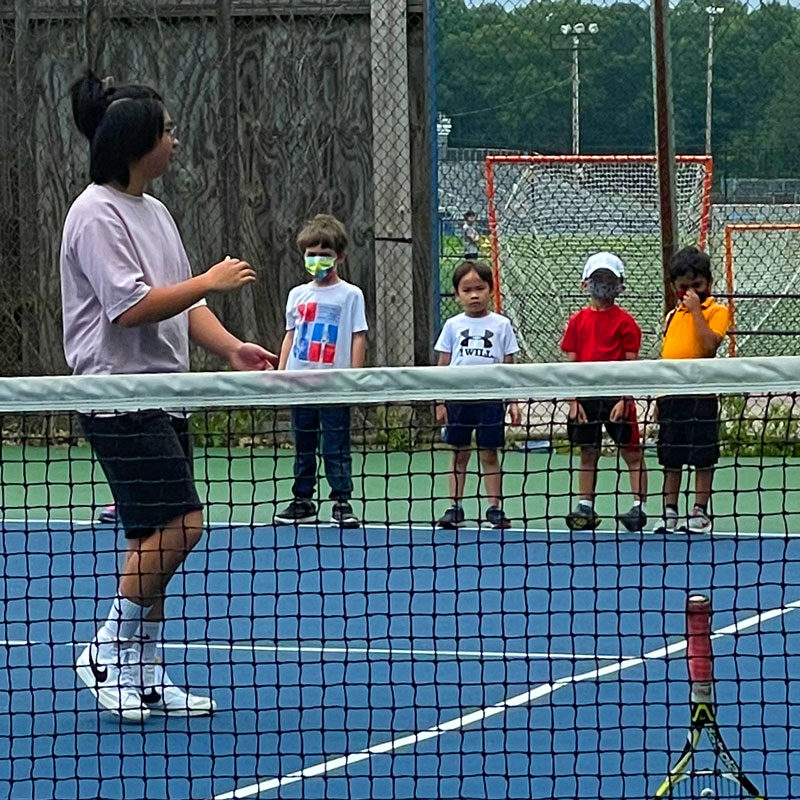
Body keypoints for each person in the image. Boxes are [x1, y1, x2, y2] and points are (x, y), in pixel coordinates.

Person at [62, 72, 275, 722]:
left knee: (152, 537)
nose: (176, 141)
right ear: (136, 144)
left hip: (164, 394)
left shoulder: (154, 212)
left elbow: (182, 302)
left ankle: (146, 672)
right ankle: (105, 649)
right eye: (167, 132)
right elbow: (130, 308)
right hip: (118, 397)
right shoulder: (93, 213)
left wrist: (231, 347)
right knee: (183, 527)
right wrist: (208, 278)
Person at [273, 214, 367, 529]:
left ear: (339, 256)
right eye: (311, 254)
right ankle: (302, 500)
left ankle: (341, 501)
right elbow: (290, 335)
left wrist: (354, 377)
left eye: (324, 255)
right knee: (303, 445)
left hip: (335, 385)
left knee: (335, 446)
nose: (317, 260)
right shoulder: (297, 294)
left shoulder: (351, 295)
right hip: (300, 384)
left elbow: (358, 336)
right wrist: (281, 372)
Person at [561, 253, 648, 532]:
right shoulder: (577, 321)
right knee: (588, 452)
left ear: (620, 285)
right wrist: (573, 401)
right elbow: (571, 364)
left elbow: (632, 366)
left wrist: (624, 399)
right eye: (598, 278)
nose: (603, 284)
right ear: (586, 283)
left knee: (632, 453)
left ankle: (639, 507)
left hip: (617, 398)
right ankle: (585, 506)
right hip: (586, 398)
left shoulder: (626, 322)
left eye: (609, 279)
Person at [435, 260, 521, 529]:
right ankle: (455, 507)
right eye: (467, 289)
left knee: (489, 453)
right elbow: (443, 364)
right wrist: (439, 401)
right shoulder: (452, 325)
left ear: (491, 290)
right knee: (459, 454)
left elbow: (509, 367)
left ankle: (494, 508)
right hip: (458, 400)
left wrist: (513, 402)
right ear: (457, 294)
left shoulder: (502, 325)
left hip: (490, 400)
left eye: (480, 288)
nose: (474, 295)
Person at [654, 246, 729, 534]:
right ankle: (669, 512)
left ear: (708, 283)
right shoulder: (671, 316)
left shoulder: (716, 311)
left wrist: (697, 310)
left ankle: (699, 512)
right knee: (671, 458)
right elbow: (667, 358)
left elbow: (709, 346)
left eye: (696, 286)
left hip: (702, 397)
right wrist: (659, 398)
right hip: (672, 398)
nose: (690, 293)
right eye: (683, 287)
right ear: (674, 287)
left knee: (702, 457)